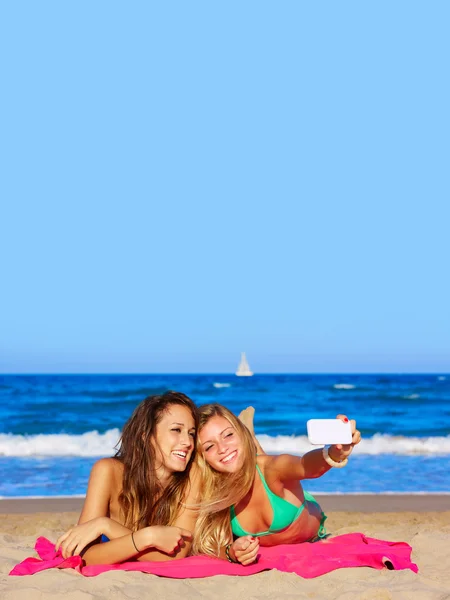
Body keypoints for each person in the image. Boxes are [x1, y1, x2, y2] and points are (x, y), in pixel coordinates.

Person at [192, 403, 361, 565]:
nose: (222, 448)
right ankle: (250, 436)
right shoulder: (213, 493)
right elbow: (207, 544)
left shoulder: (273, 468)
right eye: (209, 447)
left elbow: (305, 466)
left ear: (239, 433)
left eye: (228, 435)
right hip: (262, 478)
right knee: (255, 463)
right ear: (203, 457)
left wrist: (334, 453)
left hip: (298, 507)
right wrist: (232, 552)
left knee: (262, 466)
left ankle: (250, 435)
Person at [55, 391, 200, 565]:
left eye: (191, 433)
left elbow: (177, 555)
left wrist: (106, 526)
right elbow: (84, 554)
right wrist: (148, 537)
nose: (187, 442)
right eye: (176, 430)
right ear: (146, 436)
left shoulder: (193, 476)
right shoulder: (108, 471)